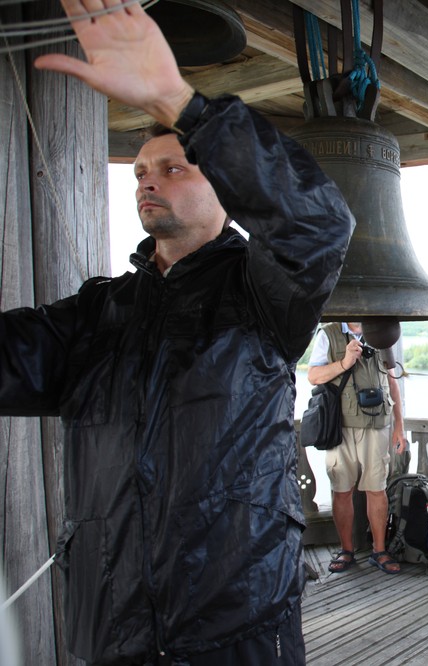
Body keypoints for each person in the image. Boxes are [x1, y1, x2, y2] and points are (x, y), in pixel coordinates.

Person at [0, 1, 355, 663]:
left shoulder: (259, 295)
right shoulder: (95, 316)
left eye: (174, 167)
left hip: (238, 625)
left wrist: (178, 102)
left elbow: (318, 227)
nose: (148, 181)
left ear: (224, 187)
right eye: (138, 172)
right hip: (112, 627)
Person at [307, 322, 407, 574]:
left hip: (378, 426)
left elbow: (392, 381)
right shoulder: (328, 335)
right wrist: (344, 363)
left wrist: (399, 427)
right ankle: (347, 550)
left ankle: (379, 550)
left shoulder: (382, 331)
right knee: (341, 490)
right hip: (340, 427)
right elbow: (313, 376)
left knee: (377, 489)